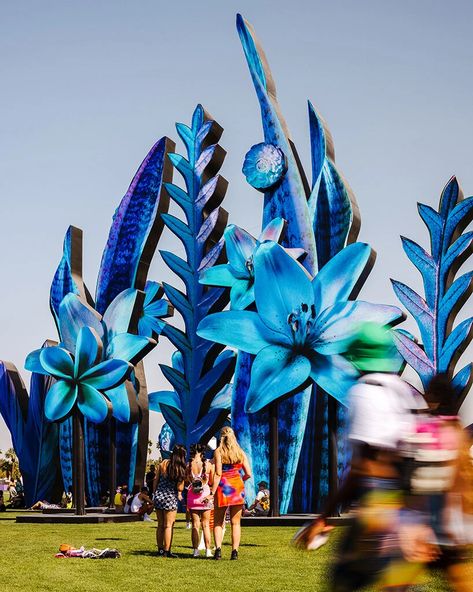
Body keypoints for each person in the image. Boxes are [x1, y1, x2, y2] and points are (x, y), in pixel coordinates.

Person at [295, 322, 424, 591]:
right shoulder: (405, 392)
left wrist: (324, 515)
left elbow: (365, 465)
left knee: (342, 583)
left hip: (379, 510)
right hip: (411, 511)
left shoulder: (365, 392)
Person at [211, 426, 252, 560]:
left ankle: (218, 550)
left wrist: (212, 492)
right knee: (236, 523)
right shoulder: (240, 452)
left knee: (218, 521)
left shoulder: (218, 452)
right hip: (237, 487)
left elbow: (218, 473)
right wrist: (240, 480)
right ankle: (234, 552)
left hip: (223, 487)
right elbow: (248, 473)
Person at [153, 444, 187, 557]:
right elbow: (180, 488)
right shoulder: (180, 468)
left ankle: (160, 549)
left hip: (159, 495)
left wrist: (155, 492)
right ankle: (167, 551)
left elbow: (155, 480)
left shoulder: (163, 463)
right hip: (170, 497)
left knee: (160, 525)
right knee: (168, 525)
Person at [187, 443, 215, 558]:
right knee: (206, 525)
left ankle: (195, 551)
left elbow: (187, 480)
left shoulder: (188, 465)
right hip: (205, 497)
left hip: (193, 497)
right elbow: (212, 481)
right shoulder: (208, 465)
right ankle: (208, 550)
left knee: (195, 525)